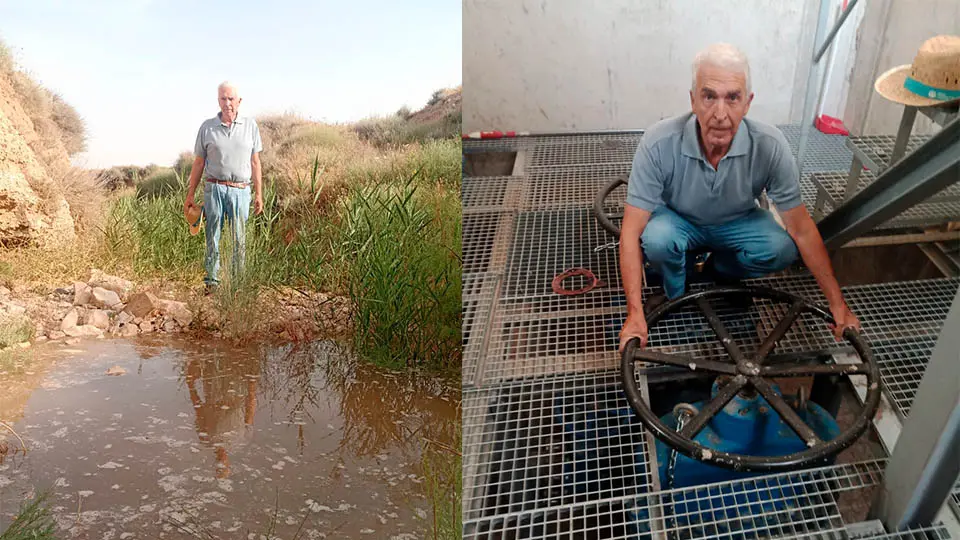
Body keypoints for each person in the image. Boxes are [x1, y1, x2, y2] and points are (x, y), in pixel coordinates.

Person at [618, 43, 860, 351]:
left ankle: (721, 272)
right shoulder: (658, 142)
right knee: (656, 240)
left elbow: (801, 230)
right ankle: (676, 291)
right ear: (693, 100)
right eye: (709, 97)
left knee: (781, 248)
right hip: (678, 218)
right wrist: (635, 314)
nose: (720, 114)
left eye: (733, 98)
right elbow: (630, 231)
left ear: (747, 103)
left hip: (737, 220)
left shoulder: (770, 146)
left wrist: (838, 305)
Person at [184, 81, 264, 295]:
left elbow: (255, 162)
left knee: (239, 238)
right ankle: (212, 283)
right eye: (223, 99)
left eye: (231, 99)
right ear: (218, 100)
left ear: (239, 101)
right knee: (213, 236)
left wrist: (259, 194)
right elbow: (199, 163)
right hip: (214, 189)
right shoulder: (207, 127)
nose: (227, 103)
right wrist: (190, 194)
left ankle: (238, 284)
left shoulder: (250, 126)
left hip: (241, 190)